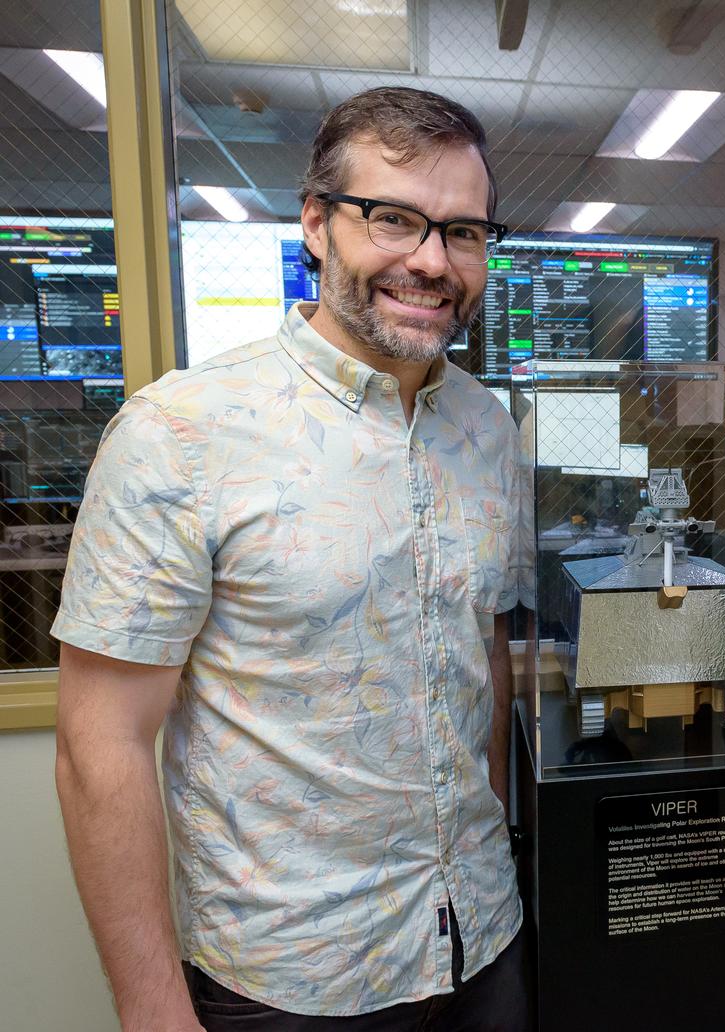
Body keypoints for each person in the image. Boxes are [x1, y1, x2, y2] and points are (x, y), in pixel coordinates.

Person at [52, 87, 530, 1031]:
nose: (432, 262)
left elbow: (483, 652)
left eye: (464, 232)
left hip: (483, 935)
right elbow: (97, 744)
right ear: (316, 223)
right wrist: (153, 1010)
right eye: (393, 219)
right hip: (292, 978)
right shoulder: (180, 434)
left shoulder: (486, 426)